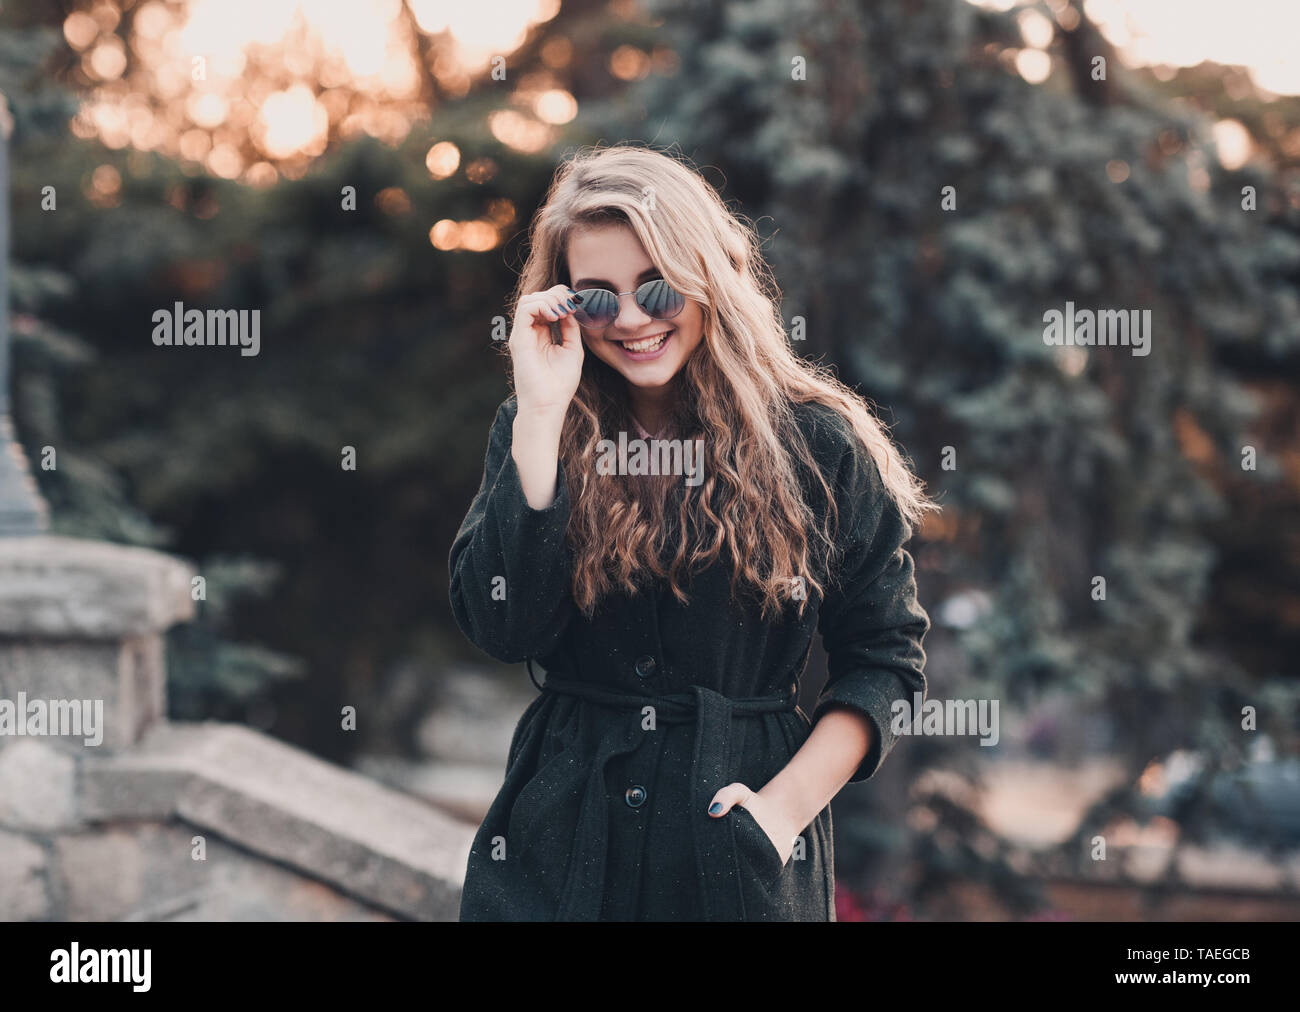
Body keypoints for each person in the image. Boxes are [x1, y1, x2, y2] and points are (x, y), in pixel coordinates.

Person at [448, 143, 934, 921]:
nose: (633, 319)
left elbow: (884, 662)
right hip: (560, 843)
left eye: (657, 286)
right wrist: (539, 414)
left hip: (732, 849)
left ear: (708, 276)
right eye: (598, 298)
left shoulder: (817, 445)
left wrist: (776, 817)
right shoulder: (540, 423)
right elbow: (505, 627)